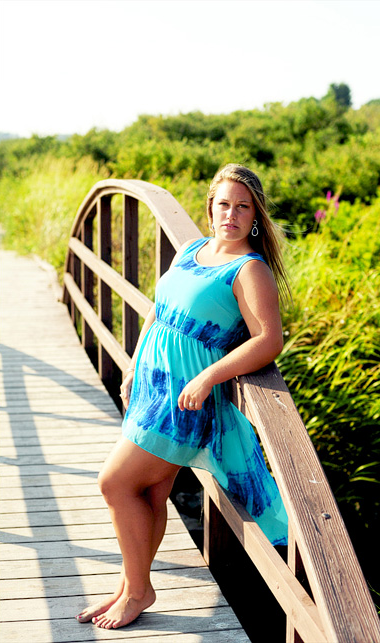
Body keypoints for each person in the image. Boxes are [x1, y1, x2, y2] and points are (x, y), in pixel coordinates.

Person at [76, 164, 291, 629]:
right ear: (210, 207)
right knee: (150, 489)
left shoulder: (248, 269)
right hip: (152, 386)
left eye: (242, 206)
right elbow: (159, 309)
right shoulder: (195, 248)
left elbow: (268, 340)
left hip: (183, 401)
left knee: (114, 482)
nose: (230, 214)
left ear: (255, 215)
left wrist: (209, 377)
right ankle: (128, 585)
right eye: (223, 204)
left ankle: (139, 590)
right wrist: (134, 361)